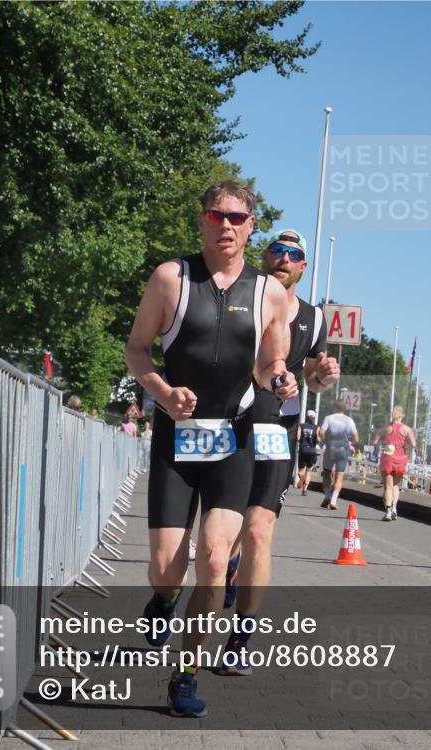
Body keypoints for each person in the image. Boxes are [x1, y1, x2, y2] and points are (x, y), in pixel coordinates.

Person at [124, 179, 295, 718]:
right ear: (201, 220)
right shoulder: (171, 278)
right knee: (164, 567)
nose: (227, 226)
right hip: (178, 436)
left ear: (251, 226)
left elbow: (270, 364)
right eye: (217, 216)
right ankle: (164, 599)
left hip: (233, 438)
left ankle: (186, 677)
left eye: (238, 218)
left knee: (217, 561)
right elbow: (137, 350)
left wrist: (282, 379)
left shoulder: (270, 293)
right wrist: (163, 393)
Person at [218, 229, 338, 676]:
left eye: (294, 255)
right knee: (225, 534)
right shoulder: (239, 294)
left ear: (303, 267)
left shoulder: (313, 317)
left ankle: (239, 642)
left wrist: (324, 374)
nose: (284, 258)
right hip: (230, 425)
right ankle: (226, 569)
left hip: (277, 430)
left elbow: (313, 381)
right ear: (264, 255)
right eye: (278, 250)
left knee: (258, 533)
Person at [374, 406, 416, 521]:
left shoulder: (386, 428)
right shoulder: (407, 429)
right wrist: (405, 447)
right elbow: (413, 444)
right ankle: (394, 509)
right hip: (400, 455)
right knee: (396, 485)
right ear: (402, 416)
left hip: (388, 454)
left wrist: (384, 443)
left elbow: (375, 441)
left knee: (388, 486)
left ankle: (387, 511)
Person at [318, 400, 359, 511]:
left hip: (330, 448)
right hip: (343, 449)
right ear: (344, 409)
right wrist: (348, 441)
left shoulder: (329, 418)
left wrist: (324, 440)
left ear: (334, 407)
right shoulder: (349, 420)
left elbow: (321, 432)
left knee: (326, 473)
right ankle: (334, 500)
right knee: (339, 476)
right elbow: (356, 438)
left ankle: (327, 495)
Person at [296, 409, 320, 495]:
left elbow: (298, 437)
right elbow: (318, 439)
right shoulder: (316, 427)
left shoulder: (301, 426)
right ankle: (305, 490)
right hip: (312, 450)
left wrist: (300, 442)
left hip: (303, 449)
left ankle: (301, 478)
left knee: (300, 472)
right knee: (309, 471)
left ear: (306, 417)